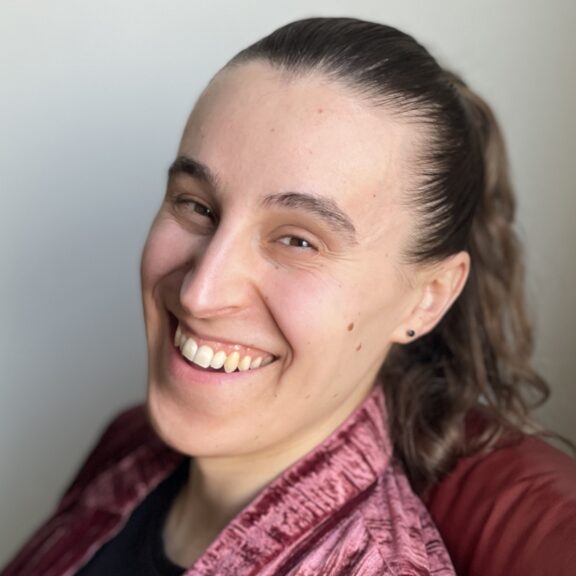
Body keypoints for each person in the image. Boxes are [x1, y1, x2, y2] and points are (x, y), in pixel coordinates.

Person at [3, 17, 574, 576]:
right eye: (196, 205)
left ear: (427, 299)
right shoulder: (127, 447)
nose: (201, 293)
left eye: (298, 240)